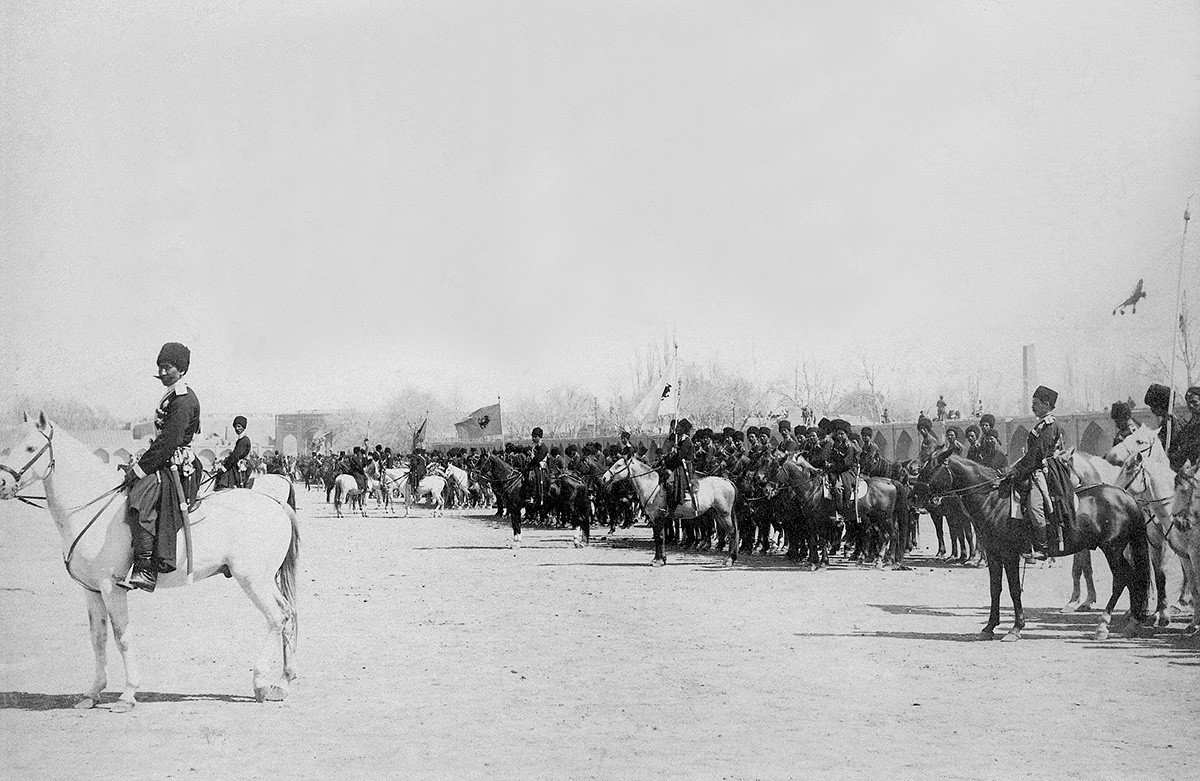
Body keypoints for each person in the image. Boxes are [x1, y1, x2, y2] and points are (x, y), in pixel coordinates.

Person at [116, 342, 201, 592]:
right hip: (165, 457)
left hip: (176, 463)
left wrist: (140, 470)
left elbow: (169, 442)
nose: (163, 373)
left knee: (142, 493)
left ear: (182, 369)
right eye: (160, 367)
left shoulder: (183, 399)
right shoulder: (172, 394)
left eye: (169, 368)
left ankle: (145, 568)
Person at [1007, 385, 1066, 556]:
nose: (1032, 407)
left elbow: (1038, 451)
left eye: (1036, 403)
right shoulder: (1041, 424)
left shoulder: (1050, 424)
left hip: (1045, 471)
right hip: (1035, 467)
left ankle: (1043, 545)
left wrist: (1019, 469)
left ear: (1046, 404)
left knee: (1035, 506)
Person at [826, 419, 860, 515]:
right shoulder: (837, 445)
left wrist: (833, 466)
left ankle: (843, 510)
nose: (840, 436)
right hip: (838, 470)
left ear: (846, 434)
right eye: (838, 434)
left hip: (847, 471)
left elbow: (846, 463)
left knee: (838, 488)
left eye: (842, 434)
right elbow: (832, 457)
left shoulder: (849, 446)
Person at [661, 419, 694, 511]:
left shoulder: (687, 441)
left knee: (670, 482)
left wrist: (671, 459)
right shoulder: (679, 440)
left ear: (683, 429)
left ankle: (674, 504)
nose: (676, 428)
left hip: (684, 467)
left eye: (678, 427)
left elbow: (679, 457)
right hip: (678, 465)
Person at [1168, 387, 1200, 471]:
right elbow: (1177, 441)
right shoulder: (1189, 425)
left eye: (1194, 402)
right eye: (1189, 403)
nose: (1191, 406)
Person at [215, 415, 251, 490]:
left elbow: (235, 456)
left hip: (239, 466)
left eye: (239, 426)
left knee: (223, 479)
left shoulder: (243, 440)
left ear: (244, 427)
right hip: (237, 463)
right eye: (235, 427)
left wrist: (224, 468)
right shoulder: (241, 439)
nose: (237, 429)